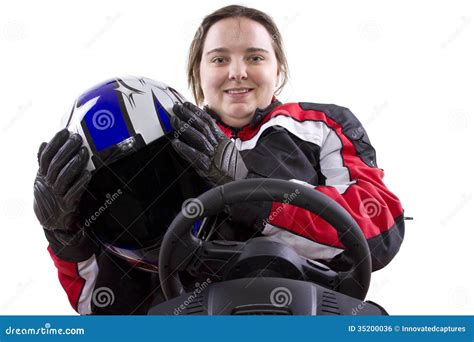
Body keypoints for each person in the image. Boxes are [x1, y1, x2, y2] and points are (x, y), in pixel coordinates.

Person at [34, 5, 405, 315]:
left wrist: (248, 188)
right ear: (198, 73)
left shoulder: (320, 125)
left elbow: (379, 229)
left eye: (255, 57)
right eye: (220, 59)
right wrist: (66, 237)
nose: (237, 72)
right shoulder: (162, 146)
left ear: (279, 70)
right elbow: (107, 311)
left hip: (316, 315)